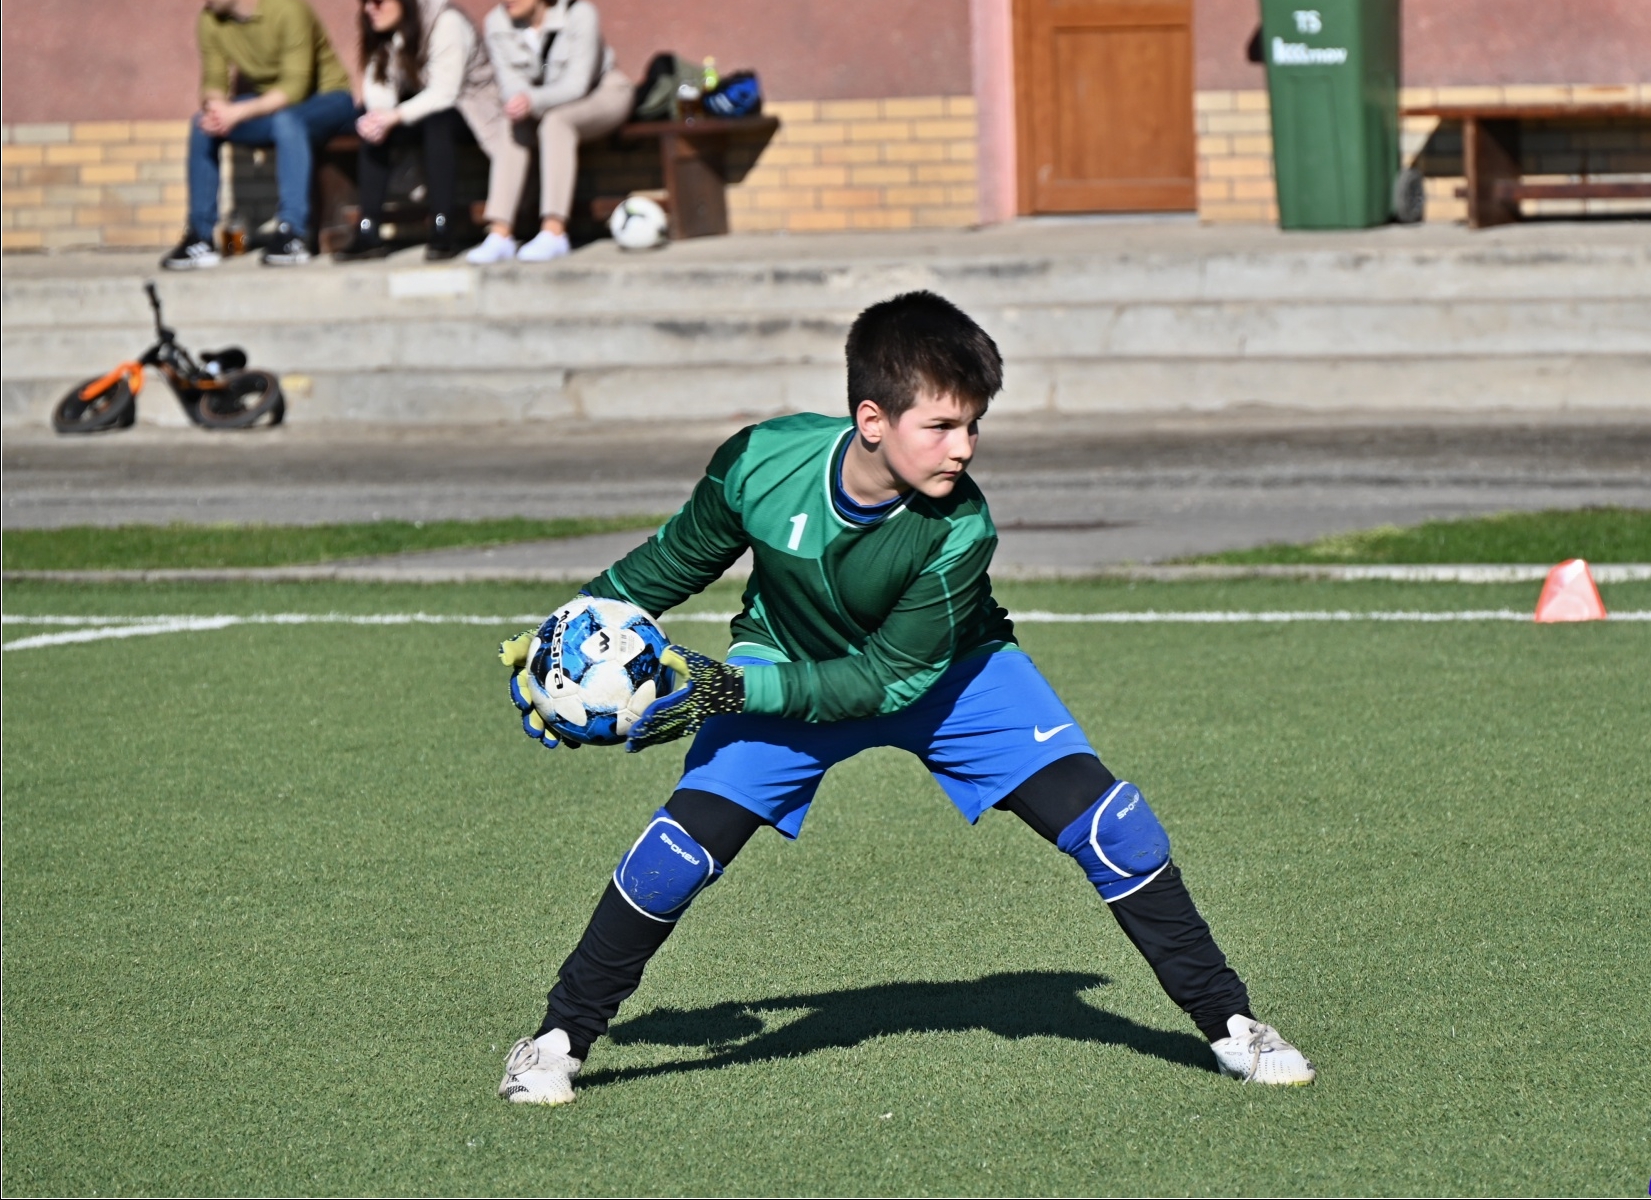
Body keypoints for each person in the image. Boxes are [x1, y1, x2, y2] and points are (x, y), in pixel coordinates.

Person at [495, 291, 1316, 1105]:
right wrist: (565, 640)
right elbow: (671, 562)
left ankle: (1230, 1024)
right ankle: (558, 1040)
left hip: (948, 674)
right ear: (872, 420)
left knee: (1116, 829)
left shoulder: (961, 526)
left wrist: (735, 689)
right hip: (787, 659)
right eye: (942, 426)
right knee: (672, 857)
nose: (964, 449)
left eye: (974, 426)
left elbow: (886, 680)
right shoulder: (761, 462)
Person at [162, 0, 358, 270]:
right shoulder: (210, 20)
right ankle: (199, 238)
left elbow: (295, 88)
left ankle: (292, 234)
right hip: (274, 107)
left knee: (288, 121)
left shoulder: (289, 10)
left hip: (328, 100)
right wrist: (217, 109)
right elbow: (214, 78)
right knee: (202, 125)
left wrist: (236, 112)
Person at [469, 0, 634, 265]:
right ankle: (500, 234)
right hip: (544, 103)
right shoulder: (497, 23)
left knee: (557, 122)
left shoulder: (580, 14)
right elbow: (509, 81)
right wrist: (520, 103)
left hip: (603, 93)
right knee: (513, 125)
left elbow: (577, 84)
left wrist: (531, 100)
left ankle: (554, 232)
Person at [337, 0, 513, 262]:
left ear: (404, 0)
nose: (369, 8)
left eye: (378, 1)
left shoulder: (446, 22)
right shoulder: (380, 27)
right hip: (417, 106)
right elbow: (379, 84)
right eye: (366, 0)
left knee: (437, 123)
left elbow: (445, 92)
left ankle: (443, 228)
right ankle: (368, 231)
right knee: (370, 120)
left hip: (471, 107)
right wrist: (379, 116)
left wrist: (393, 117)